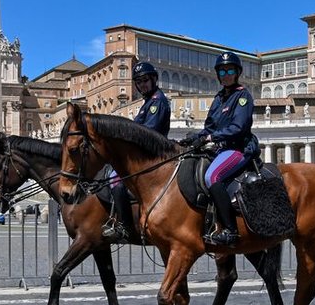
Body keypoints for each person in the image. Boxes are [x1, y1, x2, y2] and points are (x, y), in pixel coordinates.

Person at [180, 52, 257, 246]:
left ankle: (231, 231)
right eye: (222, 71)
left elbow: (238, 128)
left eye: (230, 70)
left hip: (239, 148)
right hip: (221, 149)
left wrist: (210, 137)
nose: (226, 74)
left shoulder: (242, 96)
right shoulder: (218, 99)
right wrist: (194, 138)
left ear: (237, 72)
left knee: (211, 177)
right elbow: (209, 127)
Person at [104, 61, 171, 240]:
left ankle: (125, 227)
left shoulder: (157, 102)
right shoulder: (148, 102)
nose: (142, 84)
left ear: (154, 79)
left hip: (150, 155)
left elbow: (147, 132)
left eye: (145, 80)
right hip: (143, 153)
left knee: (116, 181)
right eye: (139, 81)